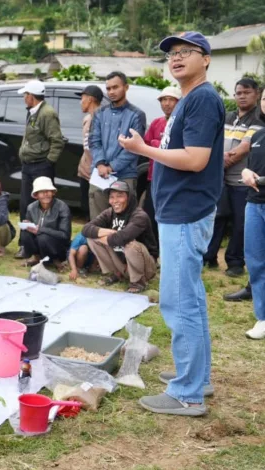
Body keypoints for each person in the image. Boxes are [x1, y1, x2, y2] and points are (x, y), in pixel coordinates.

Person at [119, 32, 225, 416]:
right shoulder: (189, 99)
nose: (177, 58)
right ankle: (198, 378)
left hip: (186, 211)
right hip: (179, 210)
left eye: (186, 52)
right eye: (172, 53)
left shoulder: (202, 99)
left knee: (179, 302)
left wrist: (142, 149)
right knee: (190, 299)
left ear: (206, 59)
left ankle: (187, 393)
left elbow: (196, 159)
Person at [204, 78, 263, 277]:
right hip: (220, 178)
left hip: (243, 181)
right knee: (217, 218)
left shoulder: (258, 119)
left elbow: (244, 147)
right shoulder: (228, 116)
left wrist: (221, 160)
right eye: (238, 93)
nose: (242, 96)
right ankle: (209, 256)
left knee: (240, 223)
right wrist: (216, 157)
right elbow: (213, 139)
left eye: (247, 92)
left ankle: (235, 262)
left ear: (256, 94)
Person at [14, 80, 65, 259]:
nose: (23, 98)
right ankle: (25, 244)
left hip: (41, 165)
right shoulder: (32, 112)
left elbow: (57, 141)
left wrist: (48, 163)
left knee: (43, 204)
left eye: (25, 95)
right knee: (25, 204)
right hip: (28, 165)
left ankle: (45, 242)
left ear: (31, 96)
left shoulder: (47, 113)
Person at [82, 181, 159, 294]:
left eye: (120, 196)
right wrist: (109, 231)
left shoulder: (139, 216)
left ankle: (138, 281)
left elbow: (121, 239)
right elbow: (86, 229)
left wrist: (110, 236)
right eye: (112, 197)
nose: (115, 201)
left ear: (129, 197)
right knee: (92, 239)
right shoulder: (109, 213)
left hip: (145, 267)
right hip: (122, 263)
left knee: (131, 245)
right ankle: (117, 273)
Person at [88, 72, 146, 220]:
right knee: (98, 221)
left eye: (115, 87)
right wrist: (100, 164)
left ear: (126, 87)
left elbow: (134, 148)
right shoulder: (100, 113)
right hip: (100, 175)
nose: (111, 92)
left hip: (124, 175)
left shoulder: (136, 114)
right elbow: (94, 141)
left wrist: (112, 167)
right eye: (108, 88)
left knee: (124, 223)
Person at [143, 86, 182, 246]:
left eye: (171, 99)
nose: (166, 103)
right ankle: (152, 251)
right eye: (163, 100)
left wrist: (155, 144)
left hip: (174, 178)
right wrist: (156, 144)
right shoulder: (156, 123)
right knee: (150, 214)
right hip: (154, 177)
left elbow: (176, 147)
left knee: (169, 217)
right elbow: (145, 145)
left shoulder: (181, 122)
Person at [239, 91, 265, 339]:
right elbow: (250, 166)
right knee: (256, 263)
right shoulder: (257, 135)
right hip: (254, 204)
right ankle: (263, 317)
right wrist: (246, 172)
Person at [21, 177, 71, 268]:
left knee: (43, 237)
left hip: (57, 246)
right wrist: (28, 226)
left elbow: (65, 236)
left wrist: (41, 230)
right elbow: (32, 231)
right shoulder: (31, 208)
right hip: (40, 243)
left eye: (48, 191)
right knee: (25, 233)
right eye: (42, 192)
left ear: (53, 192)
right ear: (36, 195)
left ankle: (55, 259)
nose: (46, 194)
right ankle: (37, 257)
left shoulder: (62, 207)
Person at [77, 85, 103, 221]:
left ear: (90, 99)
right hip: (85, 172)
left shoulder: (103, 119)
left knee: (96, 213)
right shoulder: (87, 119)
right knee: (86, 209)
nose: (80, 102)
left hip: (96, 173)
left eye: (82, 98)